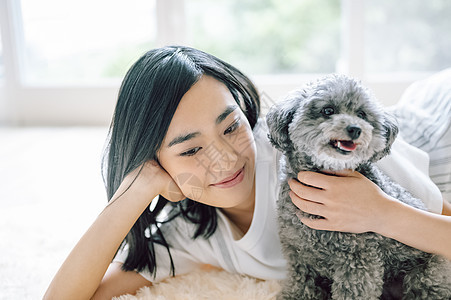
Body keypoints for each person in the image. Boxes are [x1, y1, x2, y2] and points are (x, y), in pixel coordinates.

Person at [44, 46, 451, 300]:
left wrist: (381, 212)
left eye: (231, 126)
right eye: (190, 149)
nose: (223, 158)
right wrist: (136, 190)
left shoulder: (322, 154)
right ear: (155, 161)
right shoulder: (192, 234)